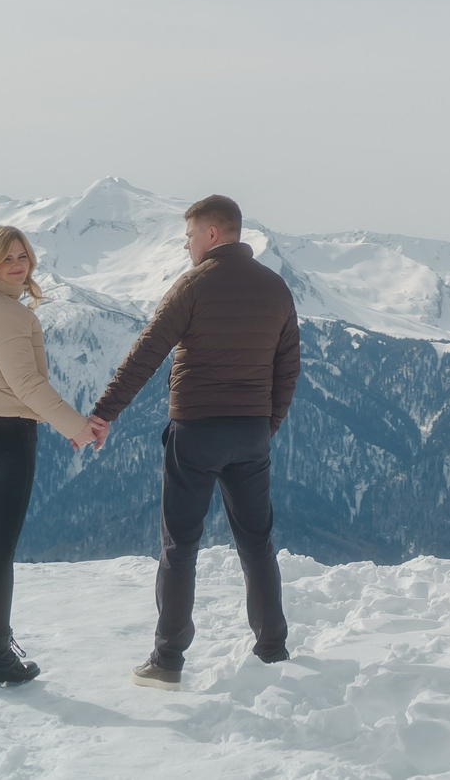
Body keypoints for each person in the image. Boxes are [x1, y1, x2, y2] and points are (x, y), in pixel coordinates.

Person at [88, 193, 301, 689]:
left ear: (211, 234)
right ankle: (272, 648)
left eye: (188, 237)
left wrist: (103, 414)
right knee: (256, 543)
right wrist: (265, 425)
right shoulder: (276, 289)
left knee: (180, 546)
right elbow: (288, 369)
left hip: (196, 431)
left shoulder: (194, 285)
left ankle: (167, 661)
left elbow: (147, 353)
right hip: (250, 432)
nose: (186, 247)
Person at [0, 224, 101, 686]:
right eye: (7, 257)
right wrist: (77, 427)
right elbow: (26, 384)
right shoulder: (8, 313)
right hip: (8, 437)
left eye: (23, 255)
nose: (17, 264)